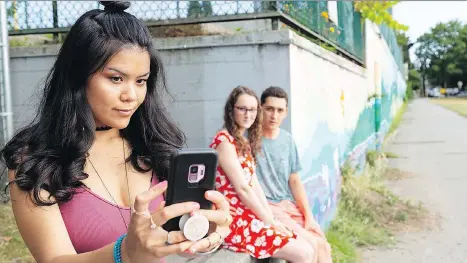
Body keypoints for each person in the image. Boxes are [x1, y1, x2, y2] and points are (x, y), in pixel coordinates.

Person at [1, 2, 232, 263]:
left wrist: (202, 234)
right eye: (116, 78)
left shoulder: (152, 146)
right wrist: (125, 252)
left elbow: (169, 241)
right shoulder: (35, 159)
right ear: (78, 77)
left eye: (141, 81)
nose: (131, 96)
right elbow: (53, 259)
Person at [209, 86, 316, 263]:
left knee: (309, 250)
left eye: (252, 109)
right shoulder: (224, 141)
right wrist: (271, 222)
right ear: (231, 110)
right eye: (242, 109)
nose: (247, 114)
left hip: (251, 215)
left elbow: (254, 184)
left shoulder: (242, 141)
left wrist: (271, 219)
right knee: (303, 253)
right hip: (236, 221)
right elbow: (243, 189)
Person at [255, 86, 332, 263]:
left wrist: (309, 216)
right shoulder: (250, 140)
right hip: (269, 207)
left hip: (288, 205)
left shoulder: (287, 140)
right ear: (261, 109)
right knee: (311, 244)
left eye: (279, 110)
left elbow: (295, 181)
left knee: (323, 245)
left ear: (286, 113)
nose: (274, 115)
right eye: (269, 109)